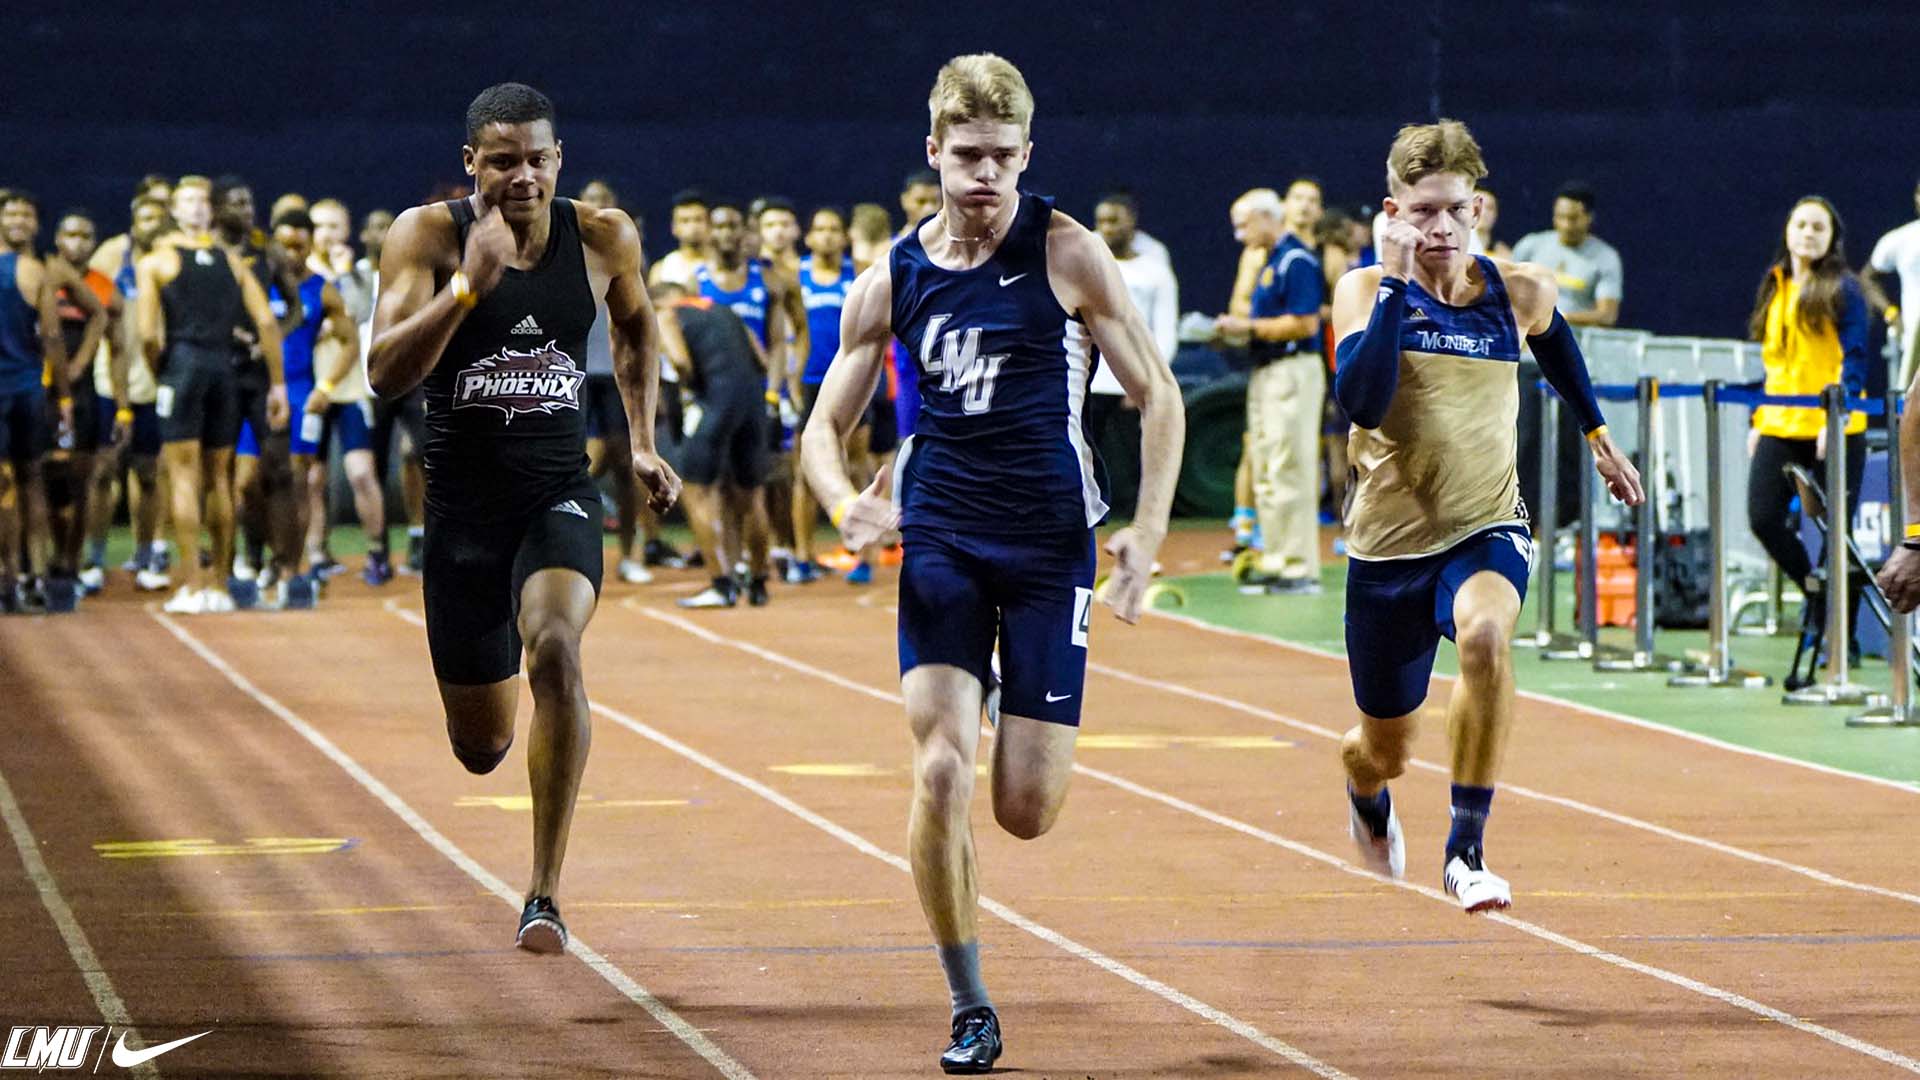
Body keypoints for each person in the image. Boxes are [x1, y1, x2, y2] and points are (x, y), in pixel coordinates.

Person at [800, 53, 1183, 1073]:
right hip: (941, 539)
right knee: (938, 769)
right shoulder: (894, 277)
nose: (983, 176)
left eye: (1002, 157)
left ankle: (1016, 678)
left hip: (1053, 545)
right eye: (965, 155)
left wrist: (1145, 530)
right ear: (932, 151)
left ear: (1027, 154)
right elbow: (822, 425)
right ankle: (969, 1002)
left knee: (1024, 811)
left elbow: (1159, 396)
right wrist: (845, 507)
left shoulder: (1067, 253)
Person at [367, 82, 679, 953]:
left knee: (555, 646)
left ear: (559, 160)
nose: (522, 176)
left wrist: (644, 441)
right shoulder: (426, 236)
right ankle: (491, 734)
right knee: (481, 748)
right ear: (471, 164)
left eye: (538, 159)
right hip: (463, 520)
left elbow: (637, 329)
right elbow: (385, 374)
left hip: (558, 497)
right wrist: (467, 291)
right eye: (502, 161)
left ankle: (543, 891)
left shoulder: (604, 236)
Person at [1330, 119, 1641, 914]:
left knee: (1486, 634)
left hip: (1485, 525)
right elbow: (1359, 400)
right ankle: (1363, 789)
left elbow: (1557, 342)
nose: (1439, 229)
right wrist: (1397, 281)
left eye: (1453, 211)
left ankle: (1465, 851)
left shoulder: (1518, 289)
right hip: (1387, 550)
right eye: (1421, 212)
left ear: (1481, 209)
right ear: (1393, 213)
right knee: (1384, 751)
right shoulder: (1365, 291)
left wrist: (1599, 437)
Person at [137, 180, 288, 614]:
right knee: (220, 477)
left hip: (182, 365)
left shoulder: (157, 261)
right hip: (225, 368)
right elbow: (266, 321)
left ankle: (192, 584)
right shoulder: (232, 261)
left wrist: (160, 369)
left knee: (183, 476)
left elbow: (148, 333)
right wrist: (276, 385)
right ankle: (220, 585)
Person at [1744, 196, 1873, 644]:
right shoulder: (1775, 283)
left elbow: (1854, 358)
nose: (1808, 234)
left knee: (1838, 532)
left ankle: (1843, 638)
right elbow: (1774, 363)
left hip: (1832, 426)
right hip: (1780, 422)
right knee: (1763, 518)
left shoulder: (1845, 288)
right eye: (1800, 225)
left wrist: (1833, 420)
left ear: (1832, 237)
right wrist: (1758, 419)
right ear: (1787, 230)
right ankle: (1817, 596)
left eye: (1819, 227)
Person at [1216, 181, 1325, 594]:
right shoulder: (1268, 260)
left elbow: (1305, 322)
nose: (1240, 236)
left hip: (1293, 371)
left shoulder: (1296, 260)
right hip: (1266, 371)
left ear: (1267, 216)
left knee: (1289, 466)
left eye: (1244, 226)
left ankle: (1299, 566)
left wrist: (1247, 327)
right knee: (1265, 467)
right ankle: (1276, 557)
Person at [654, 282, 775, 607]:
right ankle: (759, 581)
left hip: (715, 401)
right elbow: (762, 361)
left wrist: (693, 388)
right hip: (753, 403)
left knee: (695, 491)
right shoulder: (726, 311)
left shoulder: (666, 314)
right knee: (752, 495)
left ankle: (721, 584)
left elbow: (679, 361)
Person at [573, 180, 656, 585]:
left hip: (616, 376)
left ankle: (631, 552)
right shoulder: (565, 254)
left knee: (628, 469)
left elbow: (643, 321)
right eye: (591, 201)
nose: (598, 208)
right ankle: (570, 546)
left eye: (606, 201)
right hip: (578, 375)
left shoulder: (626, 254)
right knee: (584, 463)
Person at [304, 198, 391, 585]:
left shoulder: (354, 274)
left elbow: (357, 315)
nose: (326, 234)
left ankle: (377, 550)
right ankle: (316, 552)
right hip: (311, 387)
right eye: (319, 226)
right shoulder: (300, 274)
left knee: (360, 473)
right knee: (312, 478)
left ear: (346, 231)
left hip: (351, 386)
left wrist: (340, 277)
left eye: (334, 226)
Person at [89, 194, 172, 592]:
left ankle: (145, 551)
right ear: (133, 220)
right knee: (103, 470)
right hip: (111, 379)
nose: (151, 223)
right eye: (144, 216)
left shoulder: (171, 259)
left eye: (158, 216)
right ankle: (95, 556)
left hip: (156, 384)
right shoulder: (111, 255)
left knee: (149, 472)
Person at [0, 191, 78, 611]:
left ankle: (21, 575)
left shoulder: (36, 271)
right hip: (25, 390)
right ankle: (23, 576)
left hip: (27, 390)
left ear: (36, 224)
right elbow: (51, 337)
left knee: (24, 483)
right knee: (23, 484)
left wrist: (64, 396)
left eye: (25, 214)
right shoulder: (35, 272)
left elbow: (53, 338)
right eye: (10, 213)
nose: (18, 220)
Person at [1088, 192, 1178, 507]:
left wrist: (1152, 378)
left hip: (1134, 378)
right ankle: (1087, 508)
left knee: (1140, 453)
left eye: (1114, 221)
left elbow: (1165, 330)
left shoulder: (1155, 270)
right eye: (1101, 221)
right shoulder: (1085, 264)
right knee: (1086, 451)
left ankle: (1142, 513)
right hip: (1092, 378)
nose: (1107, 228)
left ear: (1132, 222)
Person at [789, 206, 856, 584]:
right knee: (805, 471)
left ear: (844, 238)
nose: (828, 236)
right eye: (821, 230)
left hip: (850, 382)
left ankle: (855, 552)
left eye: (835, 229)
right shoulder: (796, 276)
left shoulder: (857, 274)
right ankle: (803, 553)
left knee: (854, 467)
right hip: (811, 383)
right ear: (810, 237)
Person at [47, 210, 114, 592]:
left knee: (80, 480)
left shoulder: (101, 286)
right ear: (57, 238)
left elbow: (113, 333)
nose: (77, 242)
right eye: (70, 233)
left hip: (85, 395)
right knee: (42, 478)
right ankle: (38, 561)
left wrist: (121, 403)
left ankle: (72, 562)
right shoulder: (41, 277)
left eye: (85, 235)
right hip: (42, 392)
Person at [1510, 182, 1622, 327]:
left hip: (1574, 341)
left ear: (1589, 217)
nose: (1566, 225)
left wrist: (1561, 318)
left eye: (1573, 218)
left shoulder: (1606, 258)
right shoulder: (1530, 246)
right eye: (1560, 217)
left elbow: (1607, 315)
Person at [1865, 174, 1920, 388]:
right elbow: (1868, 277)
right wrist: (1891, 313)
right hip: (1915, 349)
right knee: (1909, 415)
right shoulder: (1901, 239)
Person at [648, 189, 711, 289]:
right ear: (674, 227)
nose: (693, 226)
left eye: (698, 219)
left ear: (709, 224)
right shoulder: (661, 270)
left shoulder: (722, 267)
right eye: (685, 221)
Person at [1474, 185, 1514, 259]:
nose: (1483, 212)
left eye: (1489, 208)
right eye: (1477, 207)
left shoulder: (1503, 254)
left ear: (1496, 215)